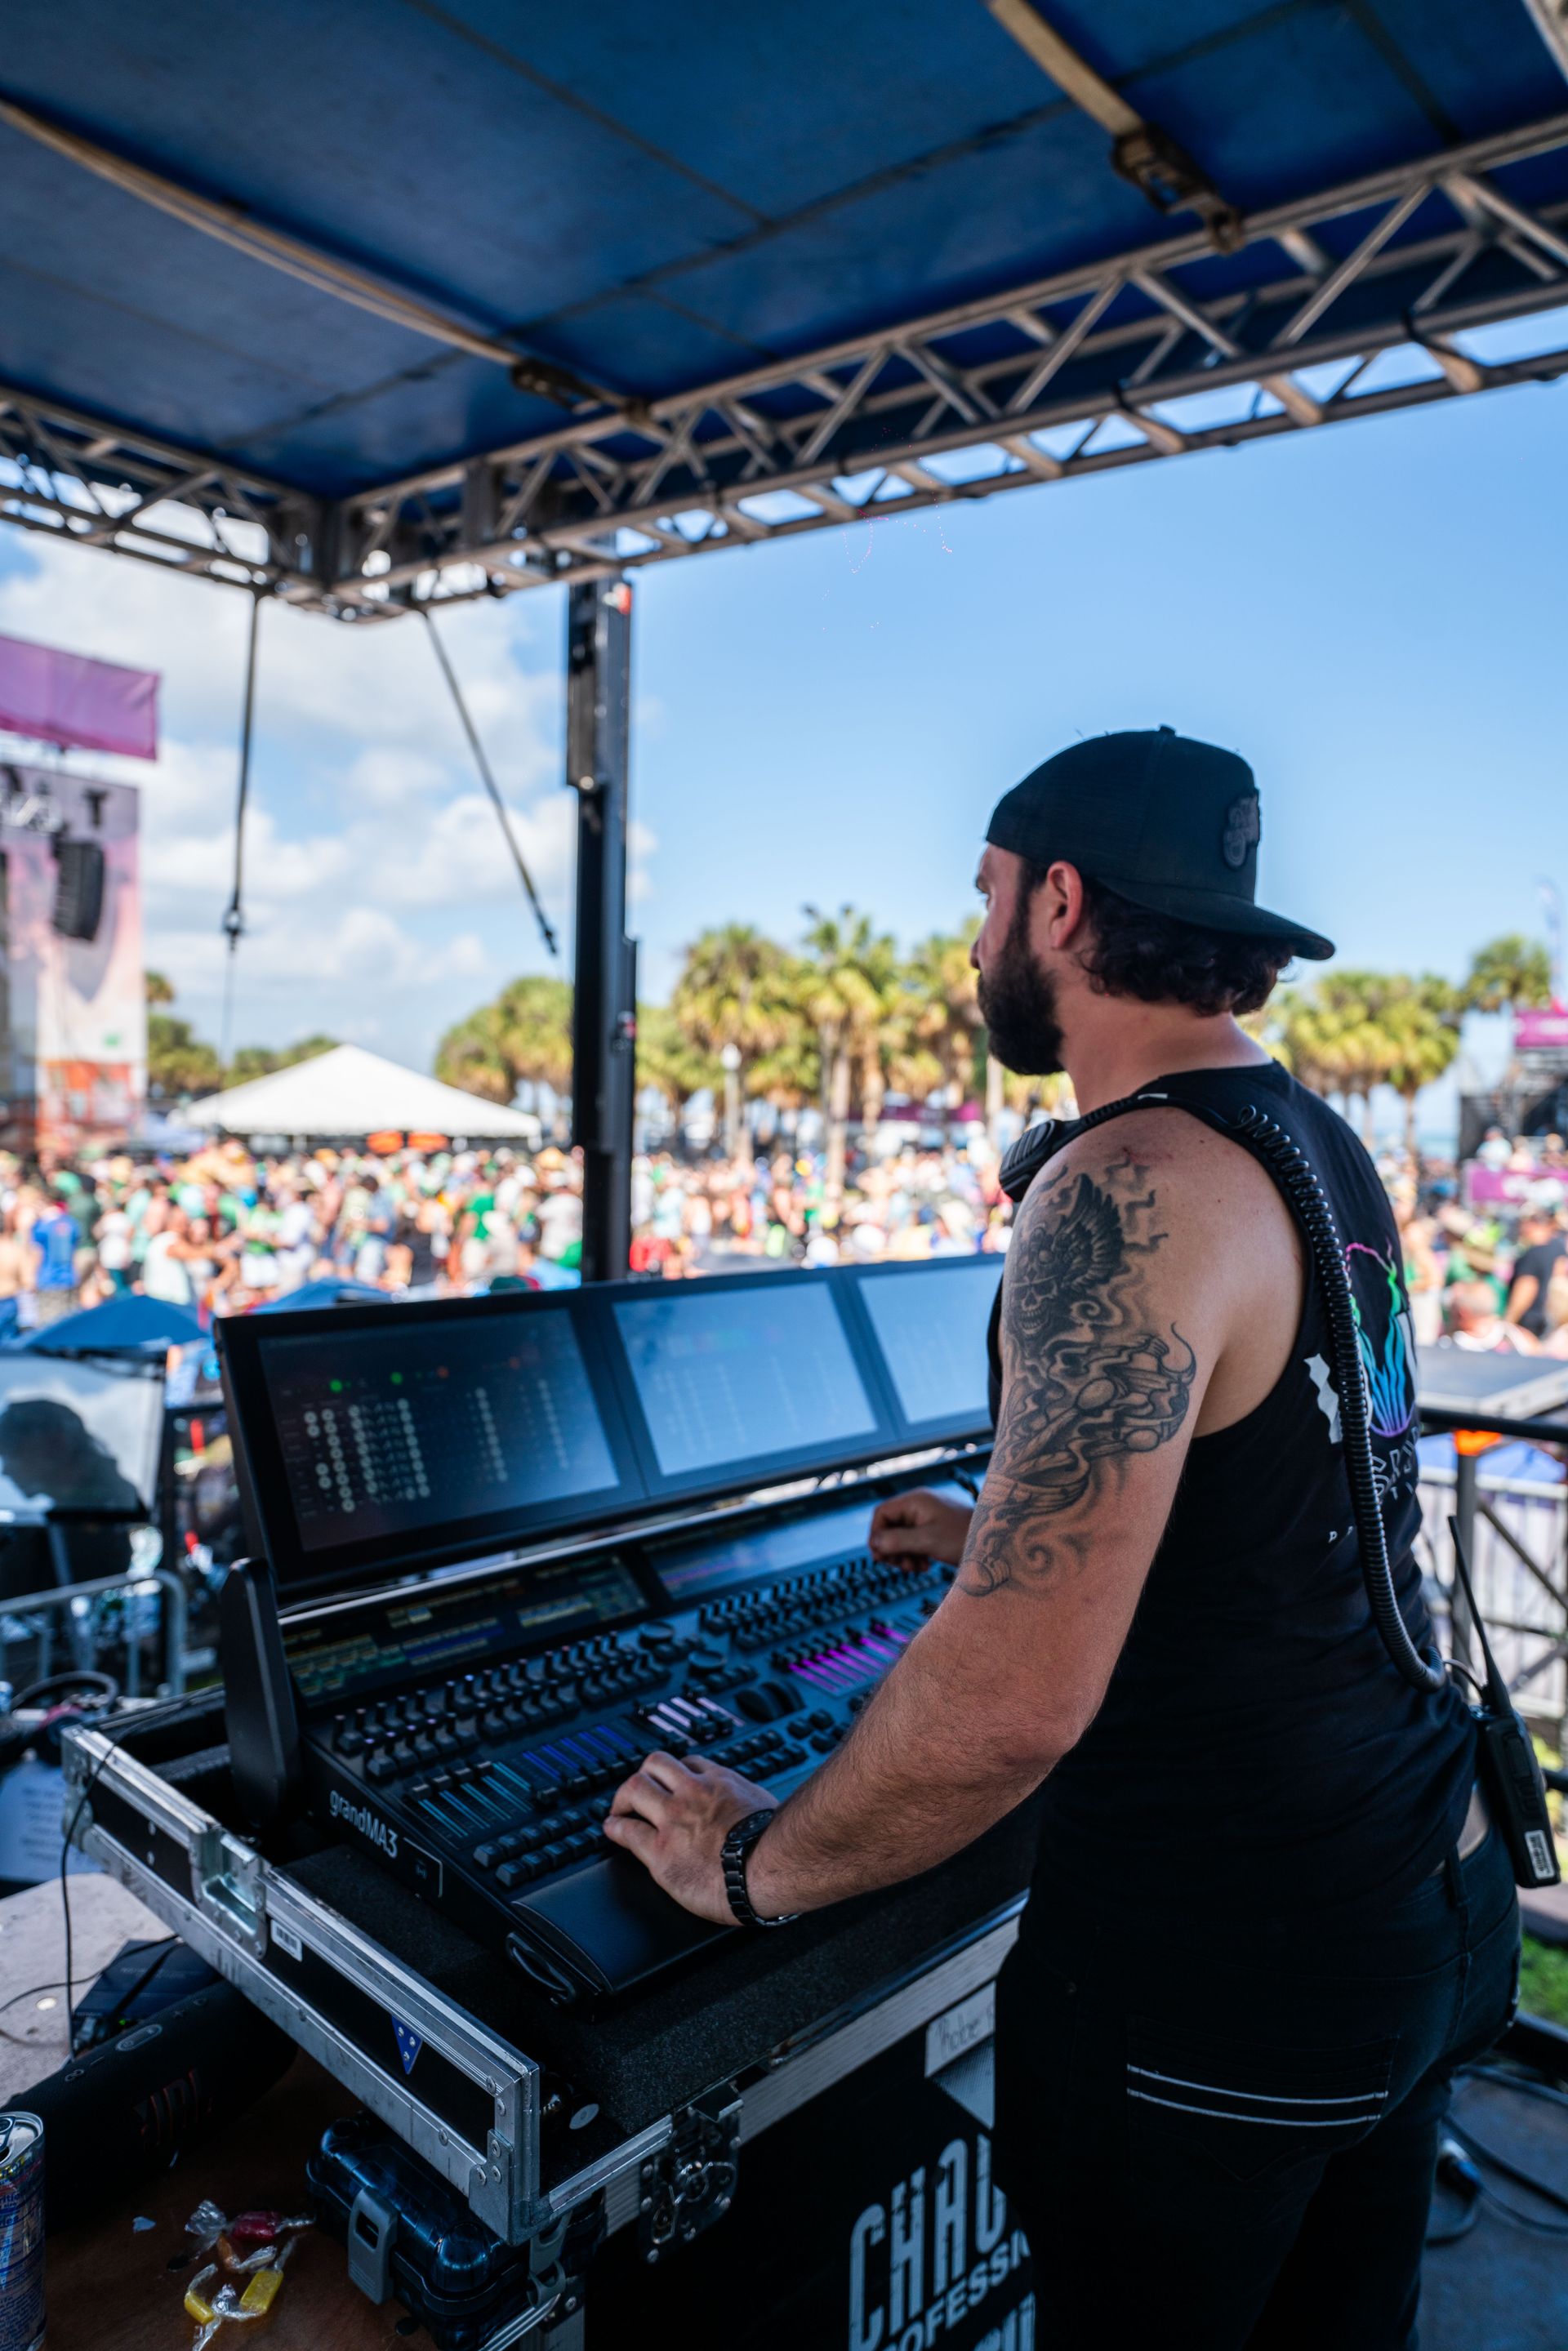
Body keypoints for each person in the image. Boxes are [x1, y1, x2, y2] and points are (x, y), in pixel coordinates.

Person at [605, 728, 1509, 2351]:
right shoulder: (1312, 1137)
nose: (967, 943)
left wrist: (753, 1860)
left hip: (1219, 1979)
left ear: (1063, 903)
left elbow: (1017, 1699)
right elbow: (1306, 1487)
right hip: (1407, 1899)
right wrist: (999, 1534)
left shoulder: (1124, 1182)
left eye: (985, 896)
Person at [1504, 1204, 1567, 1340]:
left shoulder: (1533, 1254)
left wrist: (1508, 1323)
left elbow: (1525, 1289)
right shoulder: (1558, 1248)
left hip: (1530, 1326)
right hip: (1550, 1322)